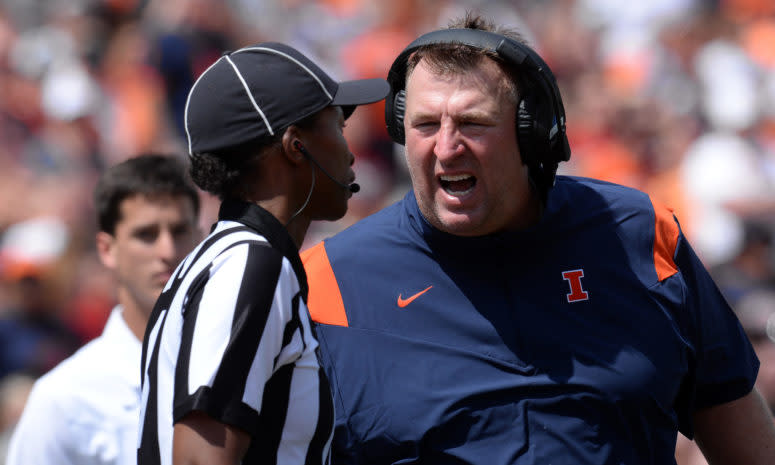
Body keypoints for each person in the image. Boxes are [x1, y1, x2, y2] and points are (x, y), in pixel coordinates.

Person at [301, 13, 775, 465]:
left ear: (532, 134)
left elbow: (743, 438)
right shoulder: (327, 282)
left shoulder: (641, 236)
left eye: (473, 123)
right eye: (426, 124)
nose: (446, 147)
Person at [136, 42, 388, 465]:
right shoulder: (250, 264)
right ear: (295, 146)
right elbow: (201, 458)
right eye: (337, 126)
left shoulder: (230, 258)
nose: (349, 151)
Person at [6, 154, 201, 465]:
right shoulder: (65, 400)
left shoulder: (237, 366)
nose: (167, 251)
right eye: (146, 235)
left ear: (200, 240)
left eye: (179, 232)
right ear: (107, 250)